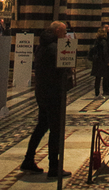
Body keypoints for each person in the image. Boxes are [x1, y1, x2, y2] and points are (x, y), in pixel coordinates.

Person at [21, 21, 71, 178]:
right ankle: (54, 166)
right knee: (55, 130)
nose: (65, 35)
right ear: (57, 31)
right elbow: (61, 71)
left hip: (42, 92)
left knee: (42, 126)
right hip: (53, 93)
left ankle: (28, 159)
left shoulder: (42, 46)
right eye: (64, 33)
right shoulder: (54, 48)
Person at [89, 24, 109, 98]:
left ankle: (98, 92)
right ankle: (103, 91)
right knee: (104, 76)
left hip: (98, 61)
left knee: (98, 77)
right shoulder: (104, 41)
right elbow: (105, 52)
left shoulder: (98, 41)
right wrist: (108, 61)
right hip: (102, 62)